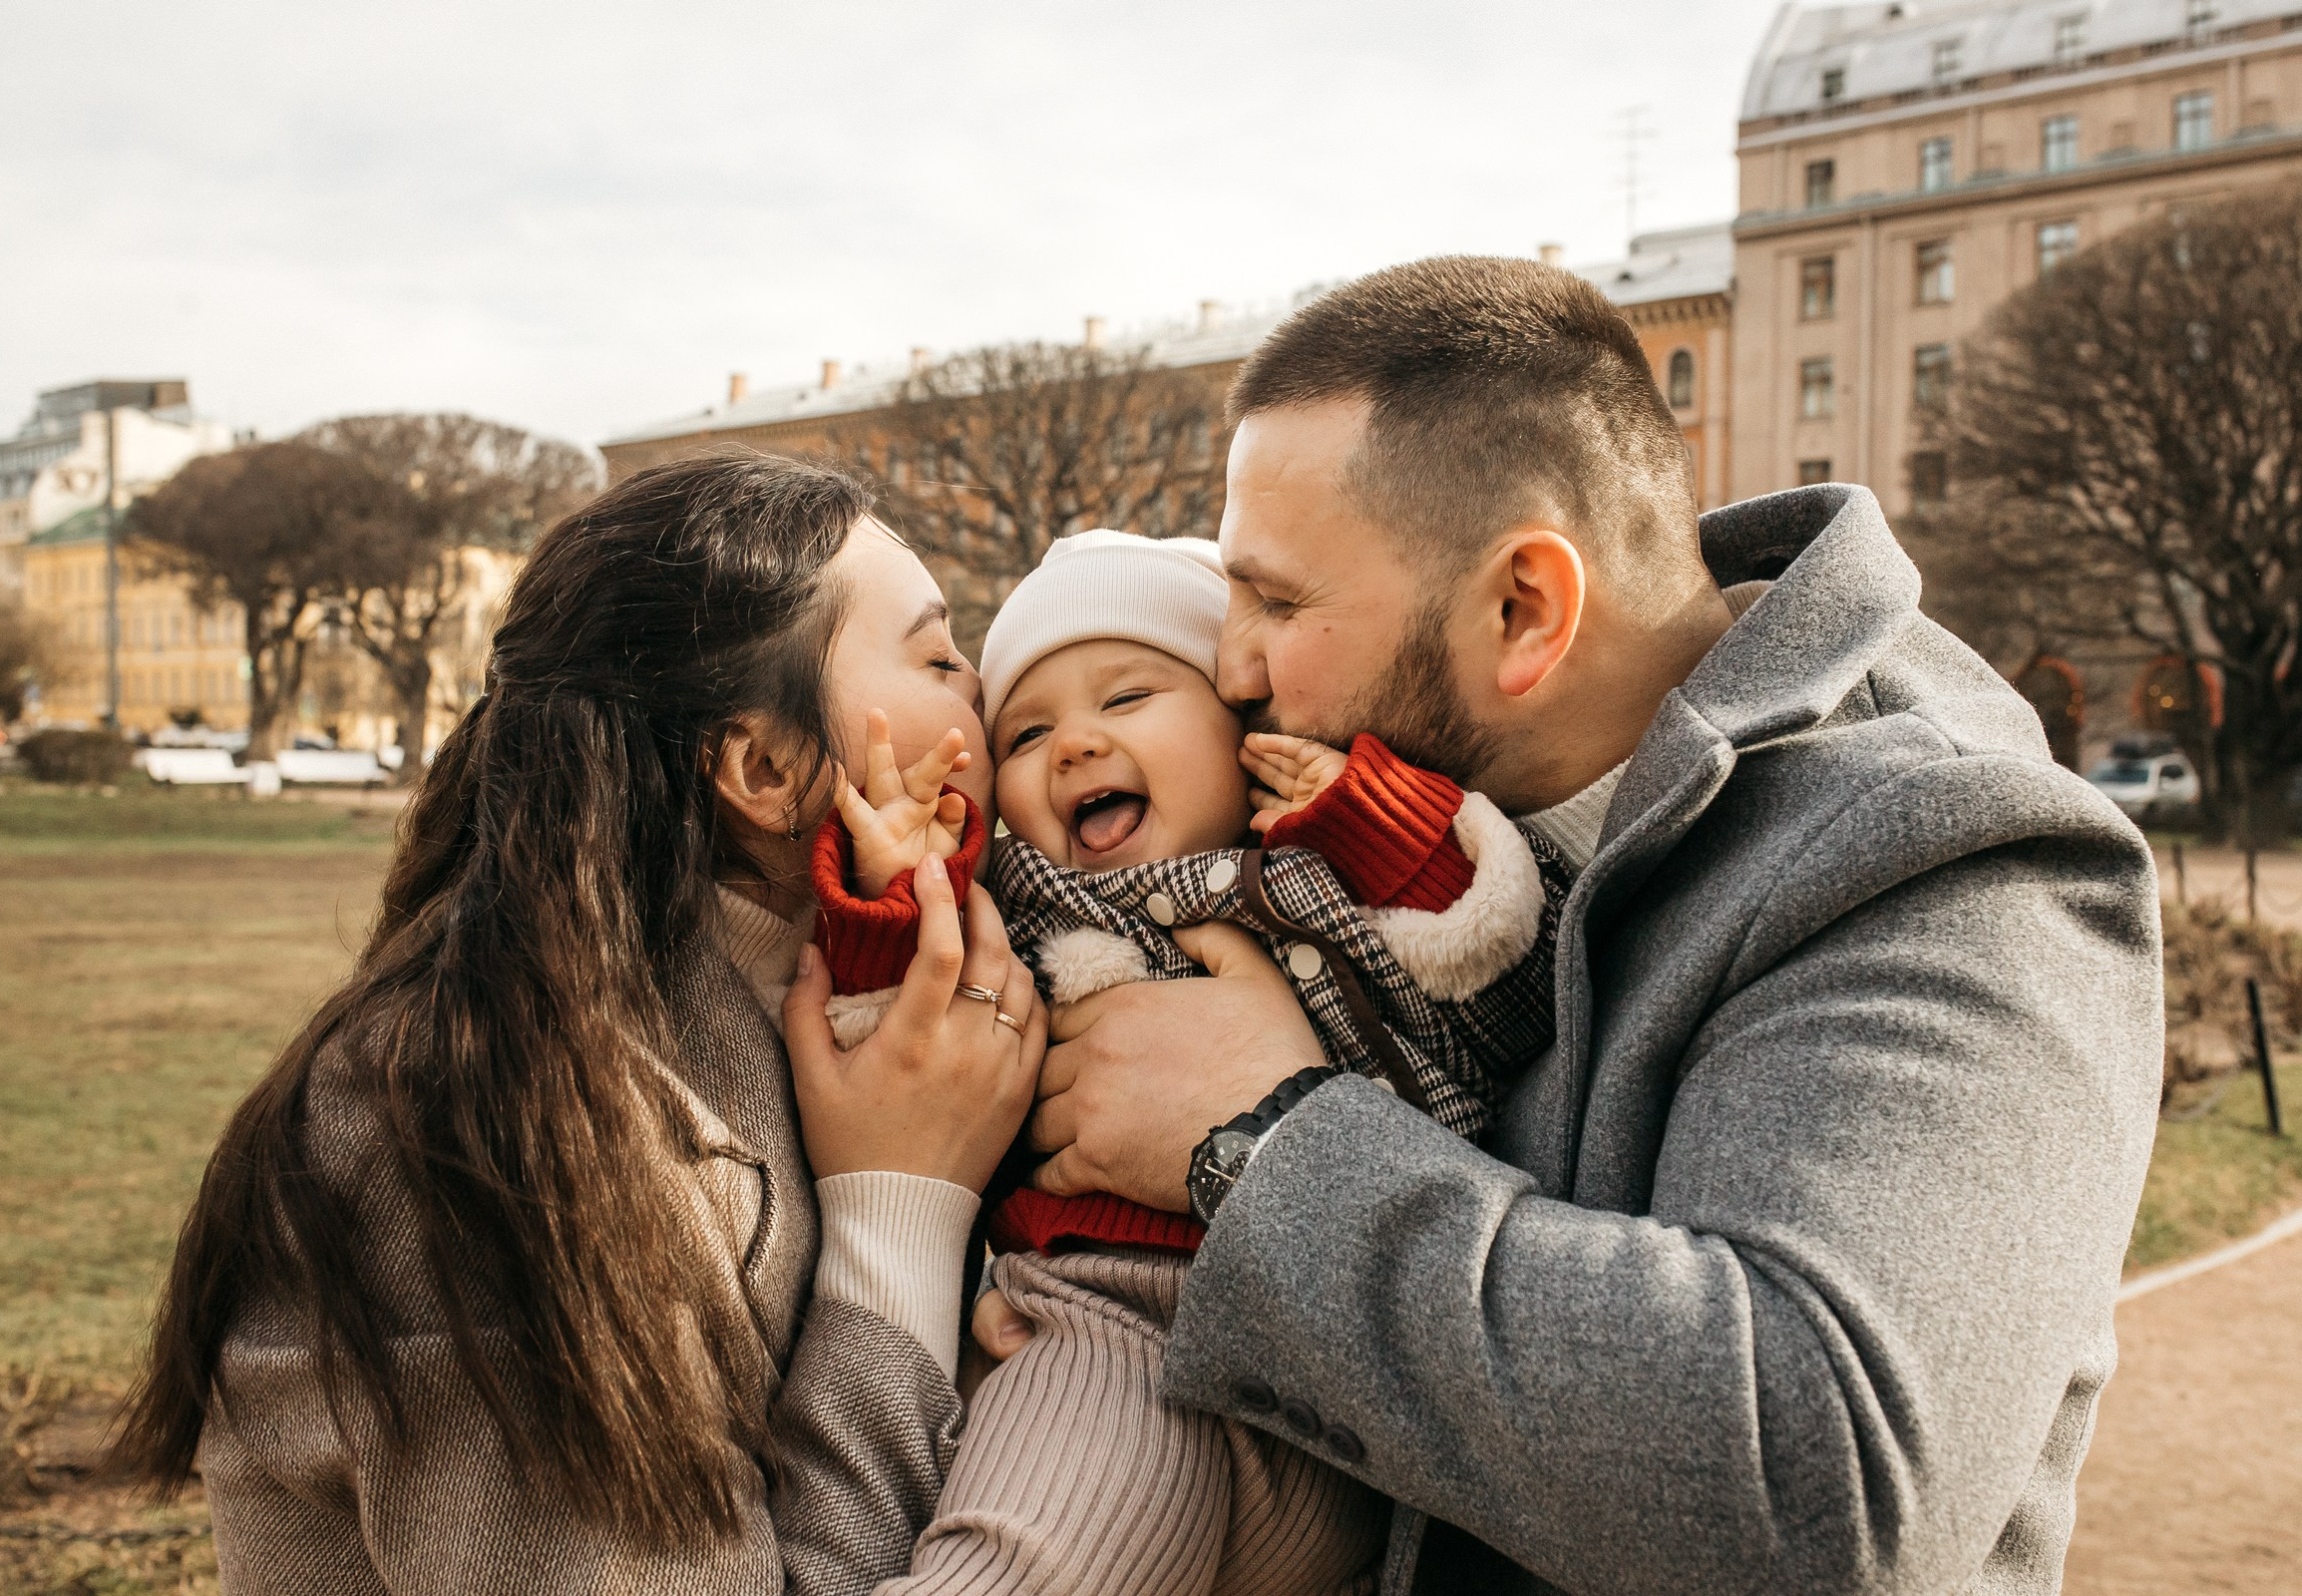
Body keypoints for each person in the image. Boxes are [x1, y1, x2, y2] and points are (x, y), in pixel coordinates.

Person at [989, 257, 2164, 1594]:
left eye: (1275, 602)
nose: (1232, 666)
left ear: (1524, 611)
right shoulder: (1426, 834)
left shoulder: (1952, 857)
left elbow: (1817, 1486)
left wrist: (1258, 1140)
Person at [111, 452, 1046, 1594]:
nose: (984, 694)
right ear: (764, 765)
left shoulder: (854, 1023)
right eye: (941, 656)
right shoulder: (466, 1124)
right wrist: (901, 1215)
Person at [806, 528, 1570, 1595]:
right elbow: (904, 1034)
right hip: (1113, 1319)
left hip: (1353, 1350)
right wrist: (900, 897)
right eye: (1025, 733)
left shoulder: (1322, 876)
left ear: (1239, 724)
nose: (1072, 744)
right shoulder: (1027, 905)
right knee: (1032, 1560)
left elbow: (1507, 989)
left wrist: (1378, 821)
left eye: (1125, 700)